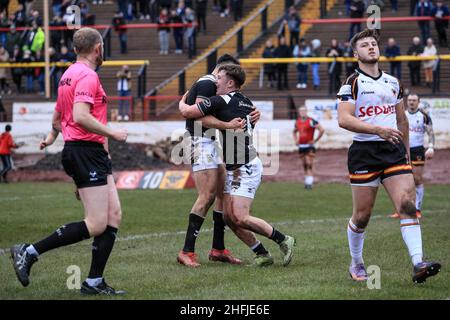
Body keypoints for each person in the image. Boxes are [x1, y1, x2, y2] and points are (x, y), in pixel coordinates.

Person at [10, 27, 128, 295]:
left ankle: (94, 282)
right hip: (85, 150)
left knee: (113, 215)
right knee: (97, 223)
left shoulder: (67, 76)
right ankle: (29, 252)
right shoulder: (87, 75)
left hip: (89, 153)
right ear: (98, 48)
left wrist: (52, 137)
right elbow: (80, 116)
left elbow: (58, 117)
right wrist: (113, 133)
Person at [337, 29, 441, 284]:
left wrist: (405, 153)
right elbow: (344, 119)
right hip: (364, 153)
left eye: (374, 43)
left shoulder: (394, 82)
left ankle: (418, 263)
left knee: (408, 205)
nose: (371, 47)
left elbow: (401, 120)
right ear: (355, 54)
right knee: (362, 216)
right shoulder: (352, 82)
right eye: (365, 45)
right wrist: (377, 129)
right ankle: (357, 262)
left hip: (393, 152)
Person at [179, 64, 296, 267]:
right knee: (229, 216)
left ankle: (283, 239)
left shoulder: (220, 100)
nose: (216, 82)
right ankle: (260, 253)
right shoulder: (247, 102)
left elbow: (190, 113)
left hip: (246, 167)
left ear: (230, 83)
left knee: (239, 217)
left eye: (220, 78)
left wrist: (181, 102)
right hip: (238, 166)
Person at [176, 54, 260, 268]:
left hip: (209, 141)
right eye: (227, 76)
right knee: (207, 196)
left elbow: (222, 110)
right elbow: (196, 115)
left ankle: (218, 249)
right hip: (198, 141)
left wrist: (250, 117)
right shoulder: (207, 82)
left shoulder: (214, 87)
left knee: (222, 194)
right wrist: (229, 125)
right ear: (222, 71)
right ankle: (186, 251)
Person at [391, 94, 435, 219]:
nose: (411, 102)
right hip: (402, 149)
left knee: (417, 179)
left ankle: (417, 209)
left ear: (418, 102)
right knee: (399, 180)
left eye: (414, 100)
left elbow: (430, 133)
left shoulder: (424, 117)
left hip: (417, 150)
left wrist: (431, 147)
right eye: (409, 100)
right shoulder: (402, 115)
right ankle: (401, 208)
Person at [293, 106, 325, 189]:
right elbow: (294, 131)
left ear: (306, 112)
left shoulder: (311, 121)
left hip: (310, 146)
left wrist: (315, 140)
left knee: (309, 163)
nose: (302, 113)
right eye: (301, 111)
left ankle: (310, 182)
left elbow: (321, 130)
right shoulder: (297, 122)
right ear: (299, 112)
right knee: (304, 164)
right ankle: (307, 181)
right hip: (301, 146)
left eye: (304, 111)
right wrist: (296, 140)